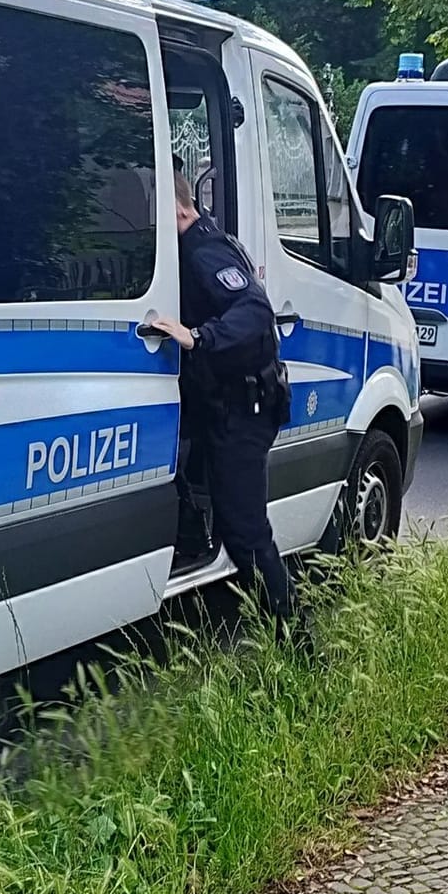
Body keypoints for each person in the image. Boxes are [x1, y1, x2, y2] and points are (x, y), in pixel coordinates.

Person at [148, 173, 294, 618]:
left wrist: (198, 337)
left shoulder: (202, 249)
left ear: (175, 208)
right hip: (221, 402)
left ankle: (297, 646)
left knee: (246, 534)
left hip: (244, 409)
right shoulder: (196, 241)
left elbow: (254, 311)